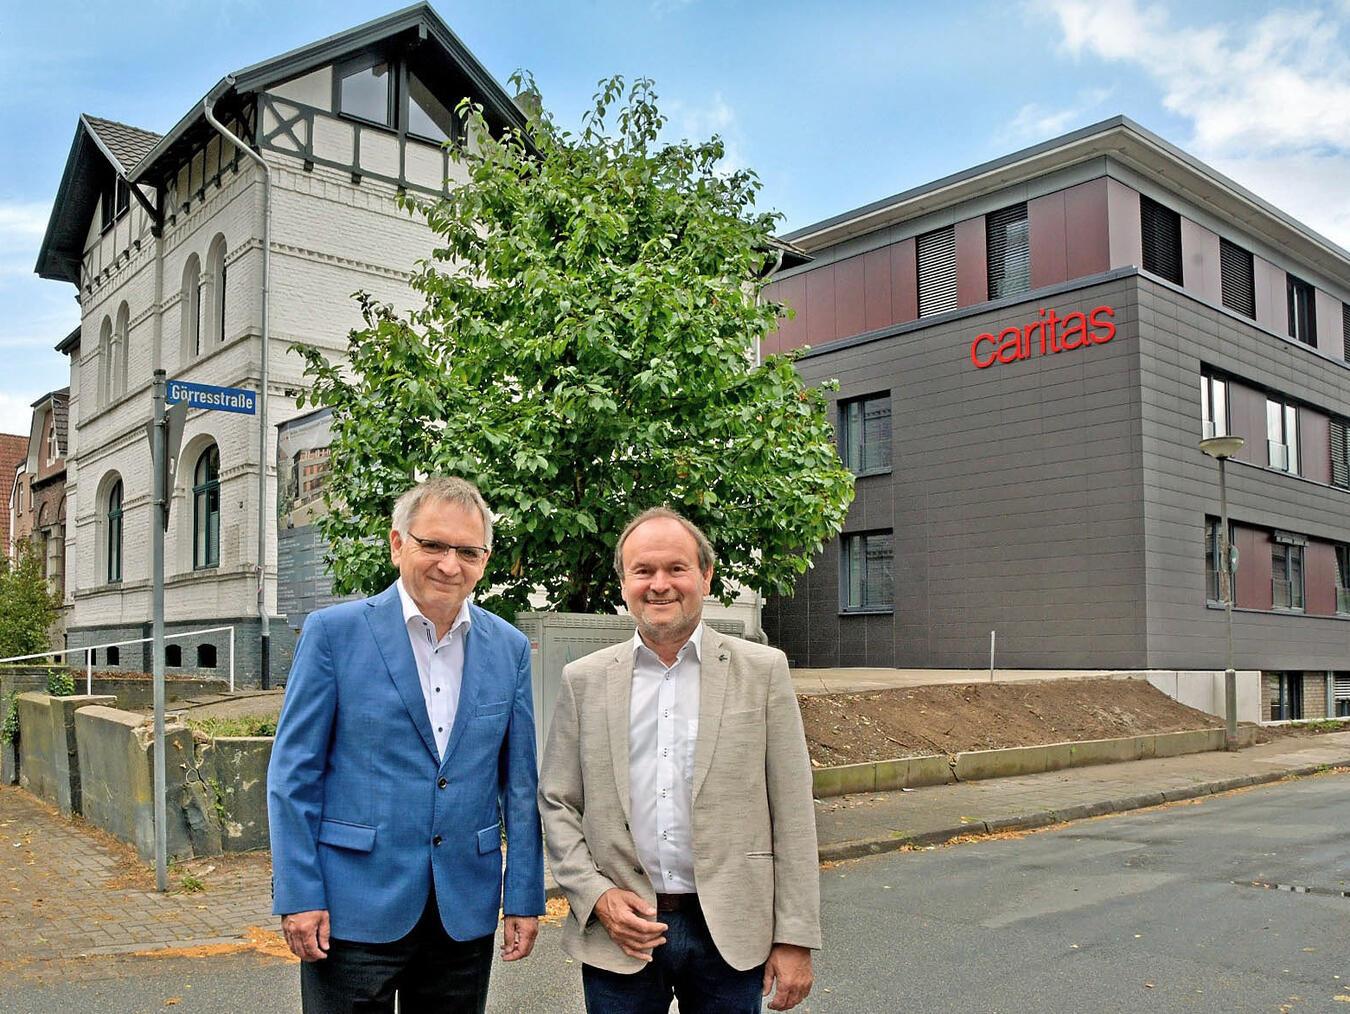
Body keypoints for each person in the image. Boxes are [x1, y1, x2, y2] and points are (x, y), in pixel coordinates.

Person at [267, 476, 544, 1014]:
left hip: (463, 907)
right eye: (433, 545)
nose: (449, 564)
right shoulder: (333, 633)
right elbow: (293, 776)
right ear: (398, 544)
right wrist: (299, 893)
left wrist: (525, 895)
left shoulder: (508, 648)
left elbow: (521, 786)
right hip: (352, 906)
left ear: (484, 560)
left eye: (467, 551)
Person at [538, 506, 821, 1013]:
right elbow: (558, 802)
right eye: (643, 570)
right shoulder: (585, 680)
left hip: (731, 931)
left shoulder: (762, 671)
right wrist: (596, 895)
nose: (659, 584)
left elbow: (794, 812)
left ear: (706, 577)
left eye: (676, 569)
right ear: (623, 582)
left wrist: (795, 936)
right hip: (621, 930)